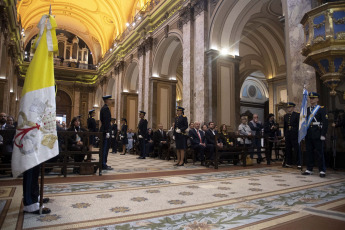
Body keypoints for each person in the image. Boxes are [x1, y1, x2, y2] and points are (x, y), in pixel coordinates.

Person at [302, 92, 328, 178]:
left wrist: (323, 134)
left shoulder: (321, 109)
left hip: (317, 133)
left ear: (317, 99)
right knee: (309, 152)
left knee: (319, 152)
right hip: (309, 133)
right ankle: (309, 169)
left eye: (313, 98)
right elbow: (305, 122)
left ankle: (322, 170)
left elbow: (325, 122)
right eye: (310, 98)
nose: (311, 99)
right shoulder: (307, 109)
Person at [283, 102, 300, 168]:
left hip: (294, 133)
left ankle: (298, 163)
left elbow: (298, 125)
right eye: (288, 107)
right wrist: (285, 135)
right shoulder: (286, 116)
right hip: (288, 133)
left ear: (293, 107)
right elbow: (285, 126)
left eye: (290, 107)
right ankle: (288, 162)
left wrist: (298, 133)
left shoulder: (297, 115)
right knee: (288, 148)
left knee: (296, 148)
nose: (288, 109)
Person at [99, 95, 113, 170]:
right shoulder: (105, 109)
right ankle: (103, 164)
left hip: (105, 130)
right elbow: (106, 121)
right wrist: (107, 131)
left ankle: (103, 163)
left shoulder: (104, 108)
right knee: (104, 148)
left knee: (105, 148)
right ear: (107, 100)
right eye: (110, 100)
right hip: (105, 131)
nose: (111, 101)